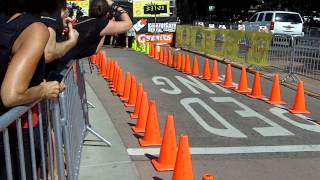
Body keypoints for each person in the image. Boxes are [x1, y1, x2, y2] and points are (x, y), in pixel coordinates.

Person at [0, 0, 65, 179]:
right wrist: (43, 90)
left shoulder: (9, 22)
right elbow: (11, 95)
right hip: (14, 134)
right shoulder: (35, 28)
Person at [48, 0, 133, 71]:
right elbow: (128, 24)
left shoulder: (83, 21)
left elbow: (95, 50)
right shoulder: (98, 24)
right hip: (51, 69)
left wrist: (105, 30)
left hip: (50, 65)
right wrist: (115, 6)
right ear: (107, 13)